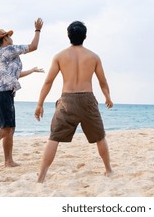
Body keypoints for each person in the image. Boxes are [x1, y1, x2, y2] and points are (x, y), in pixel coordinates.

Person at [34, 20, 113, 183]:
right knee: (100, 137)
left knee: (54, 138)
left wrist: (40, 103)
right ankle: (108, 170)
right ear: (85, 36)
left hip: (67, 99)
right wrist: (107, 97)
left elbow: (48, 82)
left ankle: (41, 177)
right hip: (87, 99)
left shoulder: (60, 56)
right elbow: (102, 81)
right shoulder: (93, 56)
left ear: (68, 35)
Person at [0, 18, 44, 170]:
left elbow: (15, 75)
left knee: (10, 129)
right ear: (5, 38)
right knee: (5, 128)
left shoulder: (3, 54)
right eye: (9, 35)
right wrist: (38, 30)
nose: (11, 37)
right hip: (2, 93)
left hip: (4, 93)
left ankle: (8, 161)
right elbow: (34, 46)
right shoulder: (9, 50)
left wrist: (32, 71)